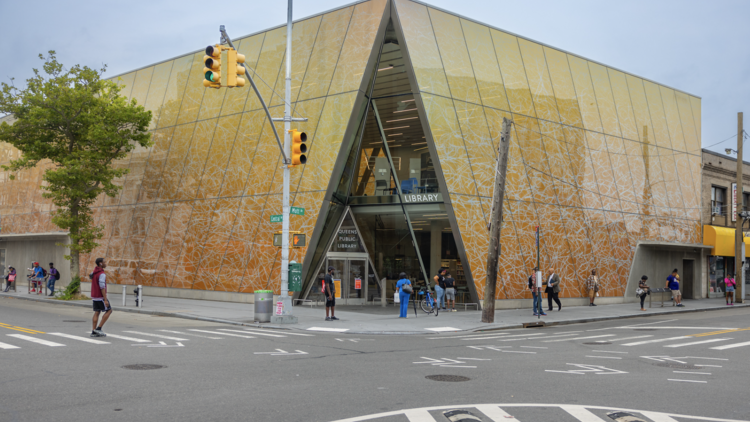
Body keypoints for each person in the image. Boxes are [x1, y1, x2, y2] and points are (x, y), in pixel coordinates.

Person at [90, 258, 112, 337]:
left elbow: (91, 276)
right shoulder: (102, 274)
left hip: (94, 296)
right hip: (100, 296)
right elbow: (102, 287)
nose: (106, 263)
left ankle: (93, 331)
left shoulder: (94, 271)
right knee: (109, 310)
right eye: (104, 262)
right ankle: (99, 329)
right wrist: (105, 299)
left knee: (97, 312)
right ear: (100, 263)